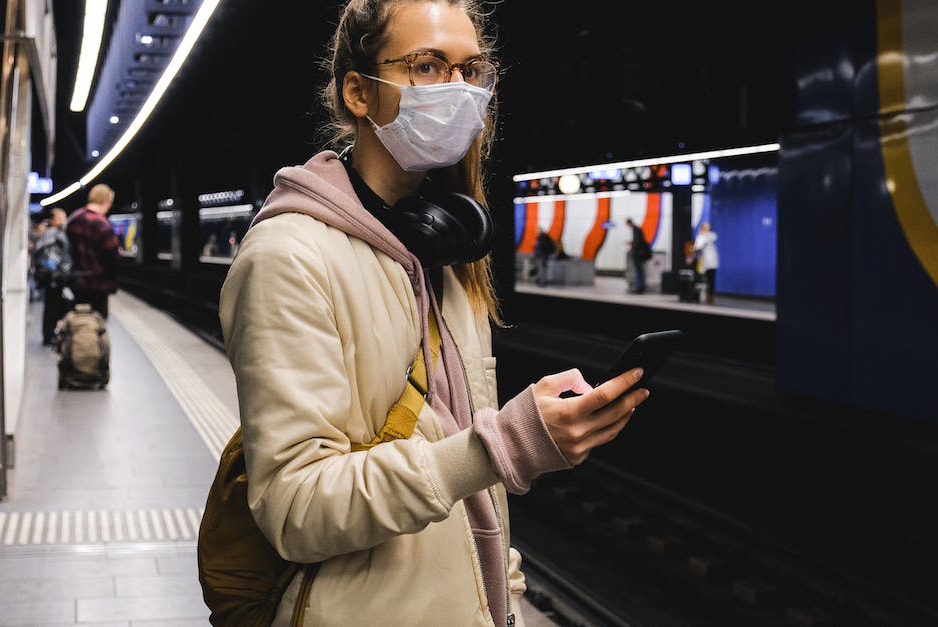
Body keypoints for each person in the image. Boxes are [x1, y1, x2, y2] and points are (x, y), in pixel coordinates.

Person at [216, 2, 651, 625]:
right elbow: (297, 510)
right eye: (427, 66)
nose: (458, 90)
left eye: (471, 69)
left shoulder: (445, 249)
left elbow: (475, 493)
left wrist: (506, 596)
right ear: (359, 93)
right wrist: (508, 442)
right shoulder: (289, 259)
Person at [65, 183, 119, 318]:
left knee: (78, 320)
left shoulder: (74, 218)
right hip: (97, 284)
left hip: (76, 282)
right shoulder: (102, 224)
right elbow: (113, 256)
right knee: (97, 323)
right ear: (106, 201)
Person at [33, 208, 72, 344]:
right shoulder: (53, 234)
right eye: (62, 217)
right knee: (53, 308)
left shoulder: (49, 234)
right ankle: (49, 336)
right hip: (54, 278)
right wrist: (59, 273)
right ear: (54, 219)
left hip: (52, 277)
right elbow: (50, 256)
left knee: (51, 307)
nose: (64, 220)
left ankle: (48, 335)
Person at [693, 222, 719, 304]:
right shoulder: (702, 237)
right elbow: (697, 247)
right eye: (704, 227)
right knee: (706, 281)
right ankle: (705, 297)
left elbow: (698, 245)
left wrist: (701, 235)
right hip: (704, 263)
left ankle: (710, 299)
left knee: (710, 281)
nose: (705, 229)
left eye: (707, 227)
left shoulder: (710, 236)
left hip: (711, 264)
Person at [626, 217, 650, 294]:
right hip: (638, 253)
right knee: (639, 270)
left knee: (639, 270)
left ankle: (640, 287)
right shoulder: (637, 229)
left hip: (638, 254)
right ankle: (640, 286)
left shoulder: (636, 230)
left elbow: (637, 242)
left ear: (630, 223)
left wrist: (633, 248)